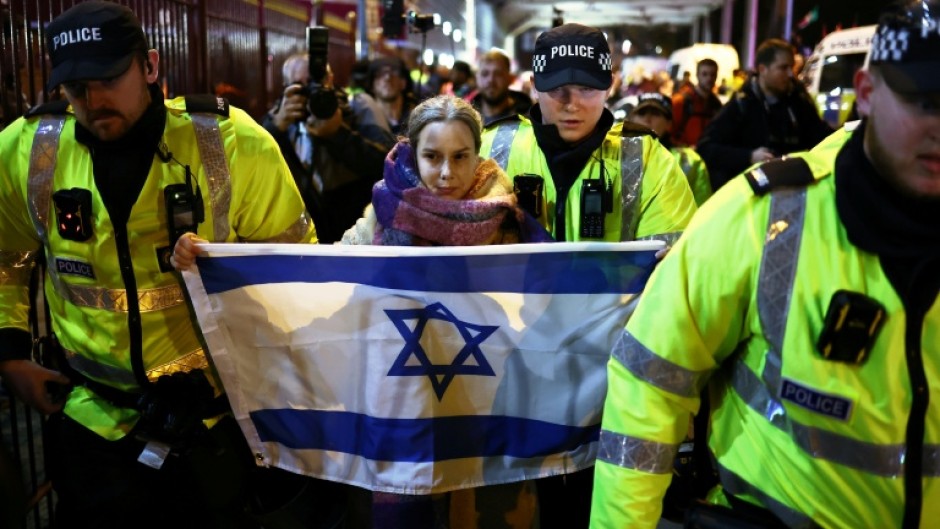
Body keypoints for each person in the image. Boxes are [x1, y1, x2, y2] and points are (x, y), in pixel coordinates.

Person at [591, 2, 940, 528]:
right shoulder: (759, 218)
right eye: (926, 102)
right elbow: (649, 382)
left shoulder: (797, 108)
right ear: (866, 92)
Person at [0, 3, 344, 528]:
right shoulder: (26, 152)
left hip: (212, 422)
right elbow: (5, 257)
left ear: (151, 67)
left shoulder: (233, 145)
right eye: (75, 88)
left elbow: (296, 272)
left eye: (109, 79)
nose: (93, 101)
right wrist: (10, 356)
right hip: (88, 420)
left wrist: (225, 273)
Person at [175, 95, 554, 528]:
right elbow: (328, 283)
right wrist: (213, 261)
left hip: (484, 408)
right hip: (398, 406)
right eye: (432, 157)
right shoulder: (383, 216)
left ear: (477, 155)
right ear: (413, 152)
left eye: (460, 157)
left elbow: (540, 308)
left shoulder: (510, 225)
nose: (446, 172)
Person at [479, 22, 697, 529]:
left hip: (606, 374)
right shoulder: (494, 147)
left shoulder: (646, 158)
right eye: (557, 90)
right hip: (510, 366)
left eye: (588, 89)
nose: (572, 102)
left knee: (587, 499)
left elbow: (680, 260)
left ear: (611, 86)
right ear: (533, 86)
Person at [262, 53, 394, 244]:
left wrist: (338, 134)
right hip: (302, 240)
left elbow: (386, 164)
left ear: (330, 80)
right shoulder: (280, 116)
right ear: (286, 87)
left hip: (353, 236)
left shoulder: (356, 107)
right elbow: (256, 168)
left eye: (315, 82)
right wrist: (276, 128)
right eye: (300, 84)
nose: (310, 91)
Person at [697, 38, 832, 191]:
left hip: (795, 192)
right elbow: (706, 148)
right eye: (783, 68)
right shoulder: (742, 105)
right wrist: (749, 156)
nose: (790, 74)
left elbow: (821, 136)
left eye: (792, 68)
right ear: (762, 69)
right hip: (753, 196)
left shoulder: (798, 102)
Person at [630, 92, 712, 206]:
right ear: (632, 119)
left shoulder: (691, 161)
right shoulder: (615, 156)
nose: (647, 119)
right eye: (642, 113)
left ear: (669, 124)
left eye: (655, 114)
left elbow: (703, 209)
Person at [470, 49, 532, 126]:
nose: (490, 80)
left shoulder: (529, 119)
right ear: (477, 78)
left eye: (498, 74)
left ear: (510, 78)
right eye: (485, 74)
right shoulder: (467, 118)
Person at [670, 58, 722, 148]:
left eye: (713, 75)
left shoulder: (717, 105)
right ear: (697, 75)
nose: (709, 78)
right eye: (704, 74)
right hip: (683, 155)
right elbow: (668, 132)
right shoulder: (681, 101)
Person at [366, 56, 419, 136]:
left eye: (394, 73)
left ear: (403, 83)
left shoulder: (417, 116)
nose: (387, 78)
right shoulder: (364, 119)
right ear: (372, 85)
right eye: (380, 74)